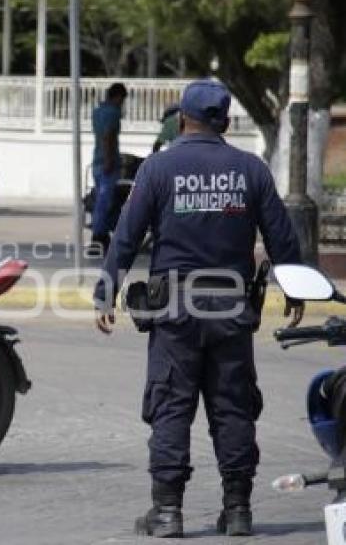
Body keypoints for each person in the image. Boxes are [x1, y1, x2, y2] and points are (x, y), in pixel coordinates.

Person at [93, 80, 304, 538]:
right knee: (233, 409)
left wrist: (105, 290)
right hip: (231, 311)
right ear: (225, 122)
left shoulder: (157, 169)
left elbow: (125, 236)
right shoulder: (251, 169)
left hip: (175, 313)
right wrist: (296, 289)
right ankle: (239, 508)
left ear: (181, 120)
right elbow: (281, 237)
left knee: (171, 407)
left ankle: (167, 513)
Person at [90, 82, 128, 255]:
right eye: (122, 99)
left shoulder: (97, 112)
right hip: (107, 163)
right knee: (105, 202)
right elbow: (108, 137)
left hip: (96, 161)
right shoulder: (113, 113)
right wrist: (109, 160)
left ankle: (102, 235)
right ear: (118, 97)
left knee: (101, 201)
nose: (123, 104)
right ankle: (98, 238)